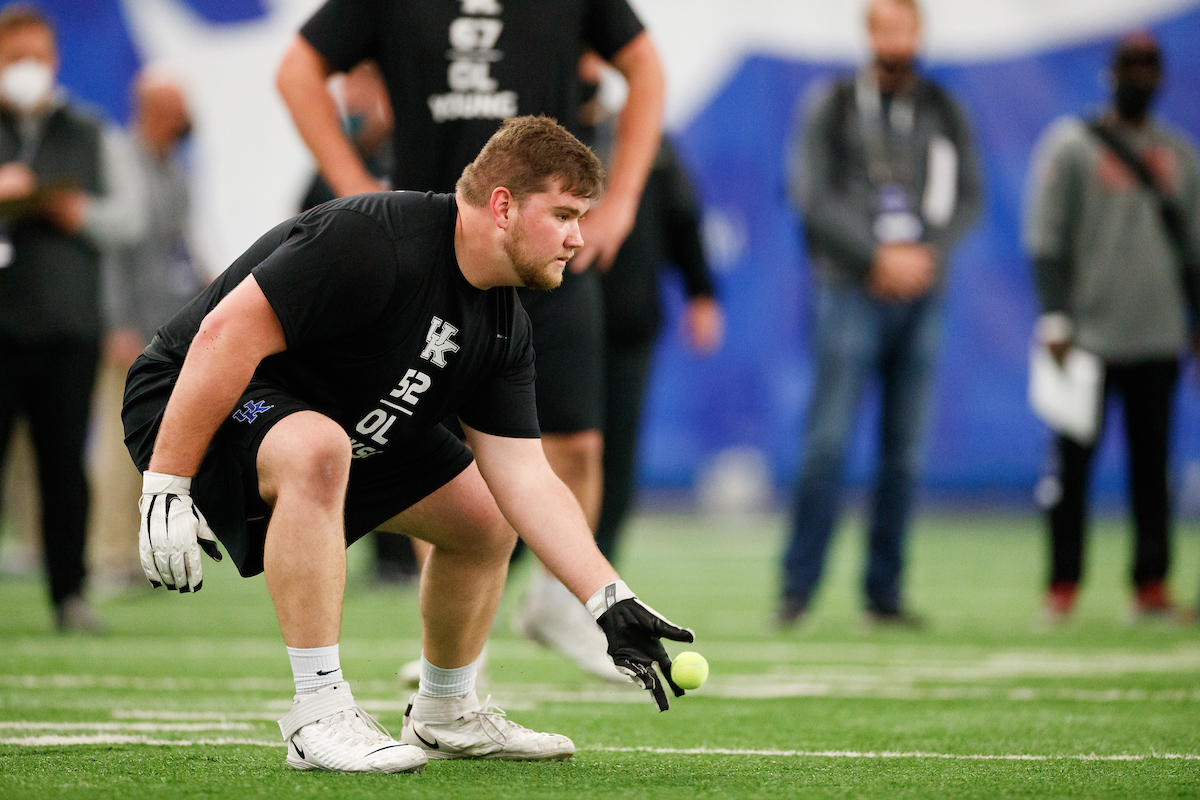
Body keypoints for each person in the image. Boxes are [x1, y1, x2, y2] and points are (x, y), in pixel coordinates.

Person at [122, 116, 695, 774]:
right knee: (318, 448)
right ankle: (317, 712)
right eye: (564, 214)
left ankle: (446, 711)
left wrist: (607, 598)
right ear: (503, 204)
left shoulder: (504, 325)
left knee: (483, 517)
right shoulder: (372, 238)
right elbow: (224, 335)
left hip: (336, 417)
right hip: (189, 391)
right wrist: (167, 479)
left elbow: (527, 481)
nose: (578, 238)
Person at [275, 0, 665, 680]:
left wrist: (623, 197)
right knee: (444, 460)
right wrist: (355, 186)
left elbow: (646, 66)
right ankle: (458, 656)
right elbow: (296, 70)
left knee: (577, 443)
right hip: (441, 252)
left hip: (543, 250)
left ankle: (557, 605)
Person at [779, 0, 982, 627]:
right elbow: (809, 195)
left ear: (920, 34)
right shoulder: (833, 104)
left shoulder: (942, 110)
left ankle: (884, 593)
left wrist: (927, 257)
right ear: (869, 33)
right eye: (885, 29)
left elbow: (968, 195)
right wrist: (876, 257)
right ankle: (798, 589)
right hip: (849, 289)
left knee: (905, 451)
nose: (896, 42)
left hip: (921, 297)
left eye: (906, 29)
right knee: (829, 441)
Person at [1024, 33, 1200, 624]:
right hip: (1087, 336)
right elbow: (1046, 240)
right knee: (1069, 474)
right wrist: (1054, 315)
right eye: (1131, 67)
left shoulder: (1178, 154)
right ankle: (1062, 586)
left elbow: (1194, 253)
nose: (1140, 79)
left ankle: (1150, 584)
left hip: (1157, 333)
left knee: (1154, 471)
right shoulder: (1071, 147)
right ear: (1110, 74)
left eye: (1149, 68)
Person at [0, 3, 145, 631]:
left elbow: (128, 219)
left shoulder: (90, 129)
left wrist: (75, 213)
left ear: (54, 61)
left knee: (65, 466)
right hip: (2, 326)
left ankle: (69, 594)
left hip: (69, 326)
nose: (29, 68)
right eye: (15, 57)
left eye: (39, 55)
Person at [294, 59, 421, 586]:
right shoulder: (335, 156)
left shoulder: (415, 147)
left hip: (409, 319)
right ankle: (364, 552)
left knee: (406, 433)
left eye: (360, 82)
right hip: (346, 325)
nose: (348, 94)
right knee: (348, 438)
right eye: (343, 83)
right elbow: (301, 228)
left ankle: (406, 556)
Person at [89, 65, 204, 593]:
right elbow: (112, 253)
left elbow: (179, 243)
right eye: (177, 105)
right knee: (117, 445)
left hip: (168, 327)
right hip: (130, 327)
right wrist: (116, 323)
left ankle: (144, 552)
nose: (186, 116)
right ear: (155, 108)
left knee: (153, 448)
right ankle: (110, 556)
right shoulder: (121, 159)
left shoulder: (173, 167)